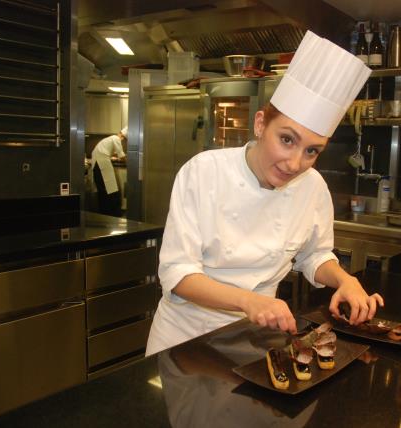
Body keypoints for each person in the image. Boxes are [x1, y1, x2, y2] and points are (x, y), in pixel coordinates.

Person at [146, 31, 384, 356]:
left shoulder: (313, 186)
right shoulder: (203, 172)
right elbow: (177, 274)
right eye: (287, 139)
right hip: (186, 341)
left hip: (255, 339)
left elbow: (314, 256)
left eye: (312, 151)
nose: (295, 163)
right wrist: (248, 300)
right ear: (260, 124)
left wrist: (345, 280)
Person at [91, 127, 127, 216]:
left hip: (97, 163)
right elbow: (121, 155)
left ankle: (104, 212)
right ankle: (111, 213)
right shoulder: (116, 138)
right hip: (102, 163)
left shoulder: (111, 138)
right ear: (123, 137)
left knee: (104, 189)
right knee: (110, 189)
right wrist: (128, 162)